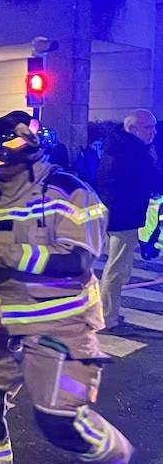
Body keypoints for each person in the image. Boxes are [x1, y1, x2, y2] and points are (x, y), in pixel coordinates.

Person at [0, 111, 131, 464]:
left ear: (27, 152)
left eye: (0, 158)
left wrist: (5, 255)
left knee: (60, 421)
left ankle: (117, 459)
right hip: (4, 322)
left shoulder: (71, 192)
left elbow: (77, 260)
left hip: (61, 326)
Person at [96, 110, 160, 331]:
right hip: (124, 215)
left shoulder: (115, 146)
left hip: (115, 213)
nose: (153, 132)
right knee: (118, 269)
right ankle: (108, 318)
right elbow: (146, 181)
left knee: (116, 267)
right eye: (148, 127)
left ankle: (108, 312)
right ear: (133, 128)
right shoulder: (132, 151)